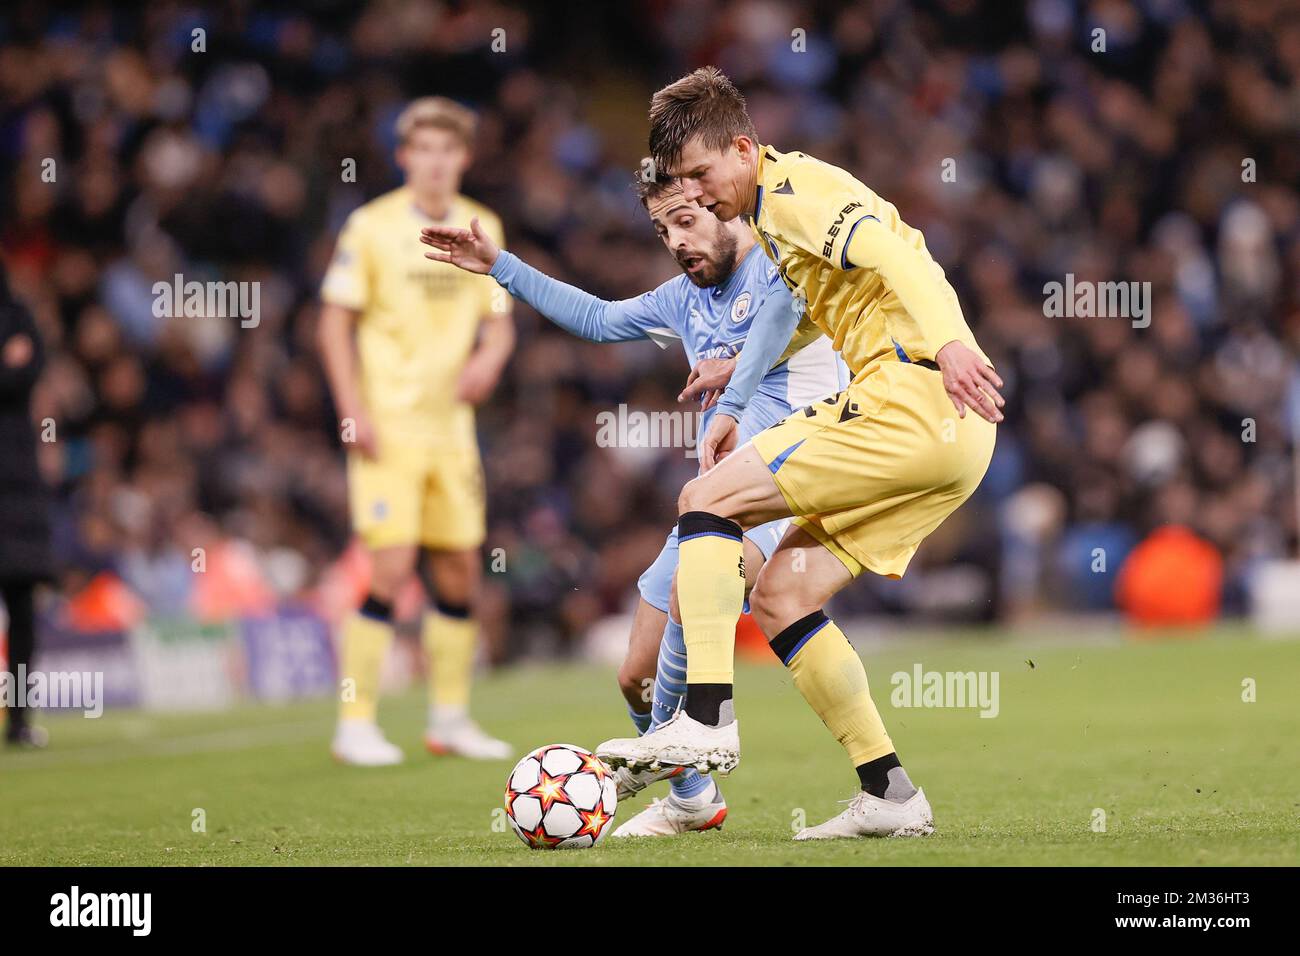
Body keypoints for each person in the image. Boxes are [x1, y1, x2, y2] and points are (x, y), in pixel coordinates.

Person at [596, 67, 1005, 840]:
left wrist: (950, 342)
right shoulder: (773, 223)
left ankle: (708, 720)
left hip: (911, 400)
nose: (696, 196)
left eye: (702, 175)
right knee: (782, 593)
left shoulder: (797, 193)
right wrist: (736, 378)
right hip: (951, 438)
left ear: (744, 148)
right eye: (679, 182)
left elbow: (899, 256)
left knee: (705, 502)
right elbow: (826, 309)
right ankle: (890, 792)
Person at [419, 168, 846, 836]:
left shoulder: (779, 267)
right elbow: (596, 318)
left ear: (727, 211)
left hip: (787, 485)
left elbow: (805, 315)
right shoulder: (683, 298)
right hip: (716, 498)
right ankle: (695, 796)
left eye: (686, 221)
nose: (675, 241)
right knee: (635, 675)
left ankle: (712, 733)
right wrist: (499, 265)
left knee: (689, 595)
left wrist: (736, 375)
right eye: (662, 229)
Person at [319, 97, 515, 766]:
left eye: (447, 150)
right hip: (388, 425)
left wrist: (489, 359)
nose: (435, 163)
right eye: (422, 150)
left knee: (460, 571)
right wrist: (352, 407)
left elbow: (499, 316)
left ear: (464, 157)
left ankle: (450, 719)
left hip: (451, 430)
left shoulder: (482, 224)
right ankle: (355, 721)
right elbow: (333, 323)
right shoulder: (370, 227)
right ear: (404, 157)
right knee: (392, 565)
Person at [0, 264, 54, 748]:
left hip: (18, 484)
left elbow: (31, 370)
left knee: (23, 605)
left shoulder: (18, 312)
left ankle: (19, 718)